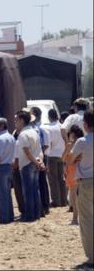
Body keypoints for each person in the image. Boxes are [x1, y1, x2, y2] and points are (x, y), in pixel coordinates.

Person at [68, 109, 93, 269]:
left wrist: (78, 157)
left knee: (87, 220)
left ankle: (92, 257)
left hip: (87, 182)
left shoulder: (82, 141)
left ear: (85, 124)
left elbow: (70, 159)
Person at [14, 110, 45, 222]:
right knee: (35, 190)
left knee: (27, 191)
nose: (15, 122)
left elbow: (27, 152)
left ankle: (30, 215)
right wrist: (40, 162)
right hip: (35, 162)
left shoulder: (22, 134)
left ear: (22, 121)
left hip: (27, 164)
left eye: (17, 120)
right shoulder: (34, 132)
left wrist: (36, 162)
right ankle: (37, 213)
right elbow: (39, 149)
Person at [42, 109, 67, 207]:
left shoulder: (48, 128)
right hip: (62, 154)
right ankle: (64, 200)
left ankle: (56, 200)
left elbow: (49, 142)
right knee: (61, 178)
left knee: (53, 179)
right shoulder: (62, 126)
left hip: (52, 155)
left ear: (49, 117)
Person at [30, 106, 51, 216]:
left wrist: (39, 155)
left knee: (42, 181)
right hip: (38, 156)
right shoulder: (34, 127)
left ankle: (45, 205)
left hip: (41, 157)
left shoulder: (42, 128)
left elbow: (46, 144)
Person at [62, 125, 84, 225]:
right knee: (76, 196)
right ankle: (76, 218)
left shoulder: (74, 145)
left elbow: (64, 158)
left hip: (73, 170)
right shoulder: (80, 144)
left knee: (75, 196)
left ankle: (75, 219)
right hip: (73, 170)